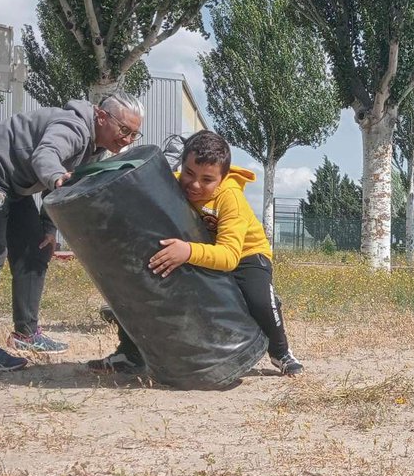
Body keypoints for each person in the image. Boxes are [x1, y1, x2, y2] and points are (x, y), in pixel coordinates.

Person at [89, 131, 303, 376]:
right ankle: (130, 354)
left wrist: (187, 250)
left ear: (222, 178)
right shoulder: (171, 184)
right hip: (195, 251)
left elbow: (229, 256)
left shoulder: (230, 198)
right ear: (182, 165)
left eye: (207, 179)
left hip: (245, 254)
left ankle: (280, 352)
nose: (194, 184)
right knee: (146, 284)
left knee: (259, 300)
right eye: (189, 173)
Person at [0, 90, 144, 370]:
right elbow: (46, 156)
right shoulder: (73, 126)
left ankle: (26, 334)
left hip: (15, 185)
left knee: (35, 250)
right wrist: (56, 176)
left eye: (134, 134)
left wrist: (49, 229)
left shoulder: (95, 148)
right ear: (101, 116)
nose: (127, 140)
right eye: (124, 130)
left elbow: (62, 185)